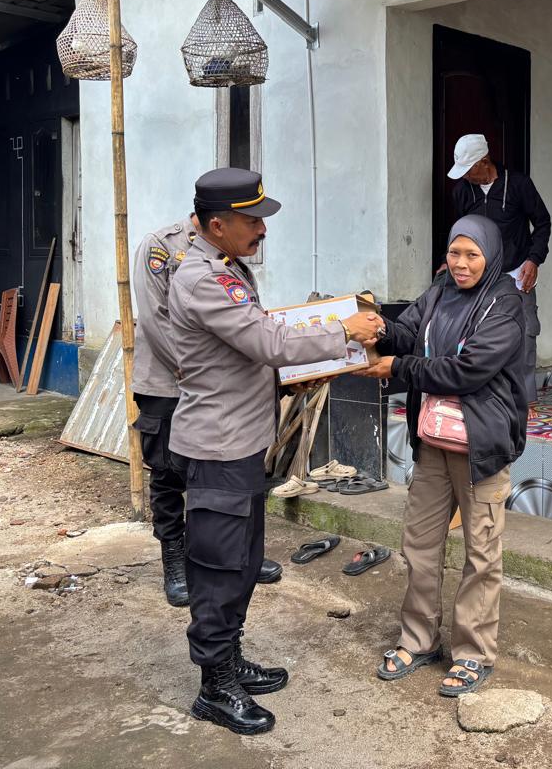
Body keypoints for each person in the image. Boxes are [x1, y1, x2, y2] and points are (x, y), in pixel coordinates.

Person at [167, 168, 383, 735]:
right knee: (217, 568)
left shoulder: (228, 267)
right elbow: (267, 342)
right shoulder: (201, 278)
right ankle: (213, 687)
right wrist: (344, 332)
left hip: (241, 441)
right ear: (217, 225)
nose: (262, 229)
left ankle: (230, 660)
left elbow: (252, 346)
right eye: (252, 221)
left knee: (241, 562)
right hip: (217, 446)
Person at [359, 215, 527, 697]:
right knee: (420, 546)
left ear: (491, 257)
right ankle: (419, 639)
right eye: (455, 253)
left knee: (481, 553)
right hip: (434, 441)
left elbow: (470, 370)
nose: (461, 264)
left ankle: (473, 653)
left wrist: (401, 366)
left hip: (482, 447)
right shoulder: (437, 293)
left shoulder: (506, 304)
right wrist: (378, 330)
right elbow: (408, 331)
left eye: (472, 254)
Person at [132, 213, 285, 607]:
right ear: (213, 217)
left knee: (222, 479)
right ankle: (175, 561)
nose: (257, 228)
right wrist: (190, 371)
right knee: (168, 474)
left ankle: (229, 555)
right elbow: (154, 318)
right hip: (167, 381)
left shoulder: (229, 251)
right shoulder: (161, 244)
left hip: (216, 385)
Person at [448, 133, 550, 407]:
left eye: (469, 170)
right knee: (474, 332)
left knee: (525, 332)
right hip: (478, 276)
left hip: (516, 271)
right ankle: (480, 395)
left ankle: (524, 400)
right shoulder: (462, 191)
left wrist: (534, 260)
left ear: (484, 161)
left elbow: (542, 223)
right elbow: (461, 235)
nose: (466, 177)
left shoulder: (518, 185)